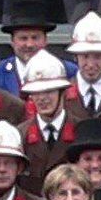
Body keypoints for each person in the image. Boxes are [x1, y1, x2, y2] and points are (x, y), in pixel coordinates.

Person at [0, 0, 77, 98]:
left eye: (35, 38)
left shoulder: (69, 71)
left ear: (45, 40)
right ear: (12, 42)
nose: (29, 44)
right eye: (23, 38)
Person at [15, 51, 77, 189]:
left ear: (62, 92)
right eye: (36, 93)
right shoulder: (19, 134)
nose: (42, 98)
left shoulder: (81, 130)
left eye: (48, 91)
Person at [63, 13, 101, 118]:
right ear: (75, 57)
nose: (91, 64)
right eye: (85, 56)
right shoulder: (61, 96)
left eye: (98, 56)